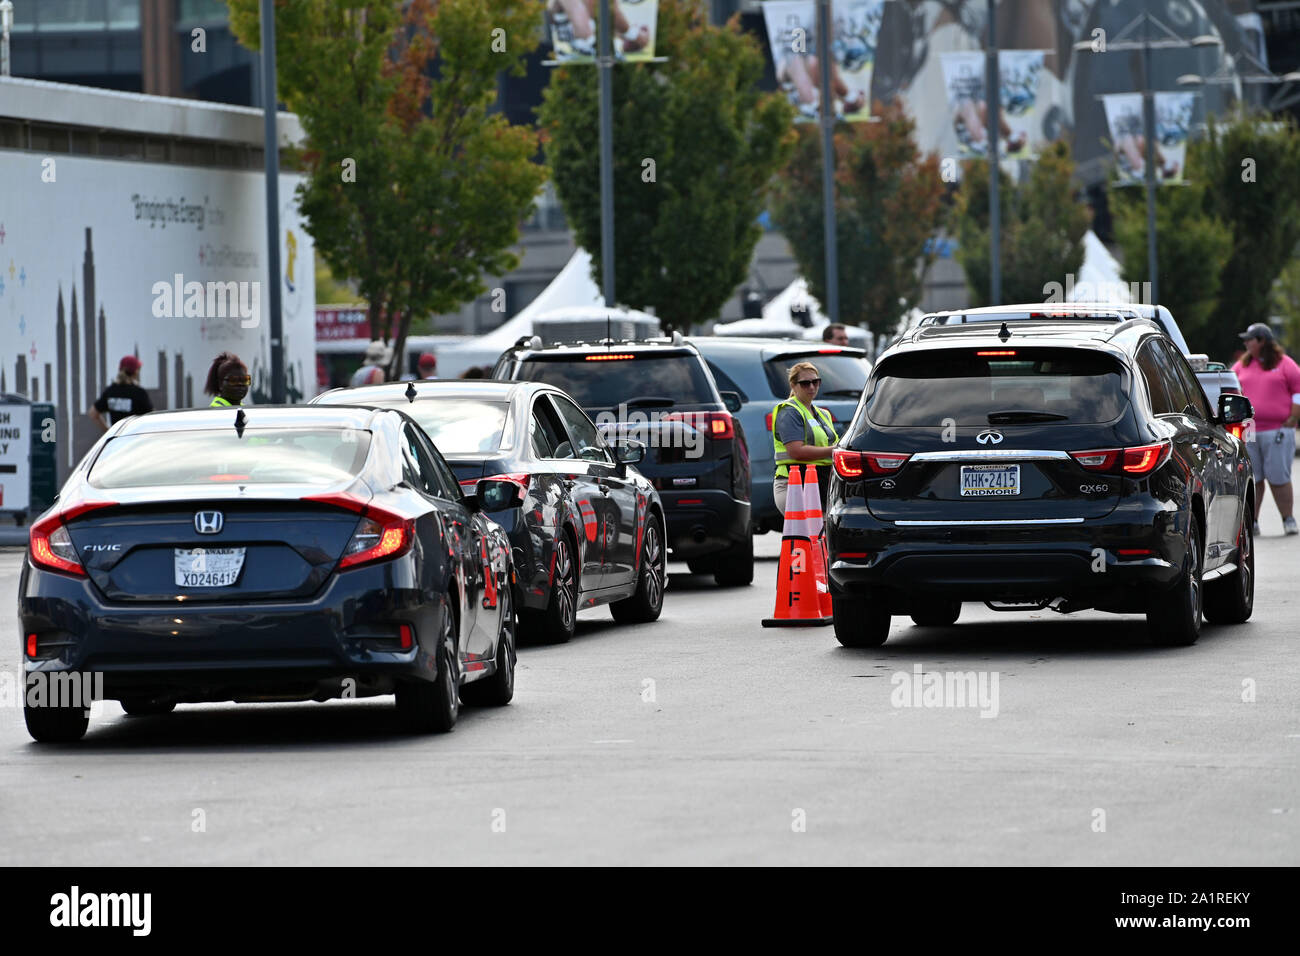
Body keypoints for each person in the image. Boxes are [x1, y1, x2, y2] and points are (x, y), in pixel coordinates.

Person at [1232, 323, 1300, 536]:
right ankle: (1252, 522)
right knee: (1254, 477)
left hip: (1277, 429)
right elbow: (1230, 387)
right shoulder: (1242, 365)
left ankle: (1288, 518)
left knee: (1278, 477)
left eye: (1249, 339)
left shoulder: (1284, 364)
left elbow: (1298, 391)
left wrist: (1294, 416)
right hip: (1249, 428)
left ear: (1261, 340)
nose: (1245, 343)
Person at [772, 361, 839, 515]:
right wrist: (834, 450)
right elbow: (796, 452)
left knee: (819, 537)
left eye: (816, 382)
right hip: (794, 482)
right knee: (806, 534)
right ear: (793, 385)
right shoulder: (789, 411)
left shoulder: (823, 413)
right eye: (805, 383)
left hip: (820, 482)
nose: (811, 387)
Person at [88, 355, 153, 432]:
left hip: (119, 441)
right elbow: (151, 417)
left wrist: (109, 432)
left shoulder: (111, 391)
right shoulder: (139, 393)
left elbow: (93, 413)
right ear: (135, 371)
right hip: (135, 439)